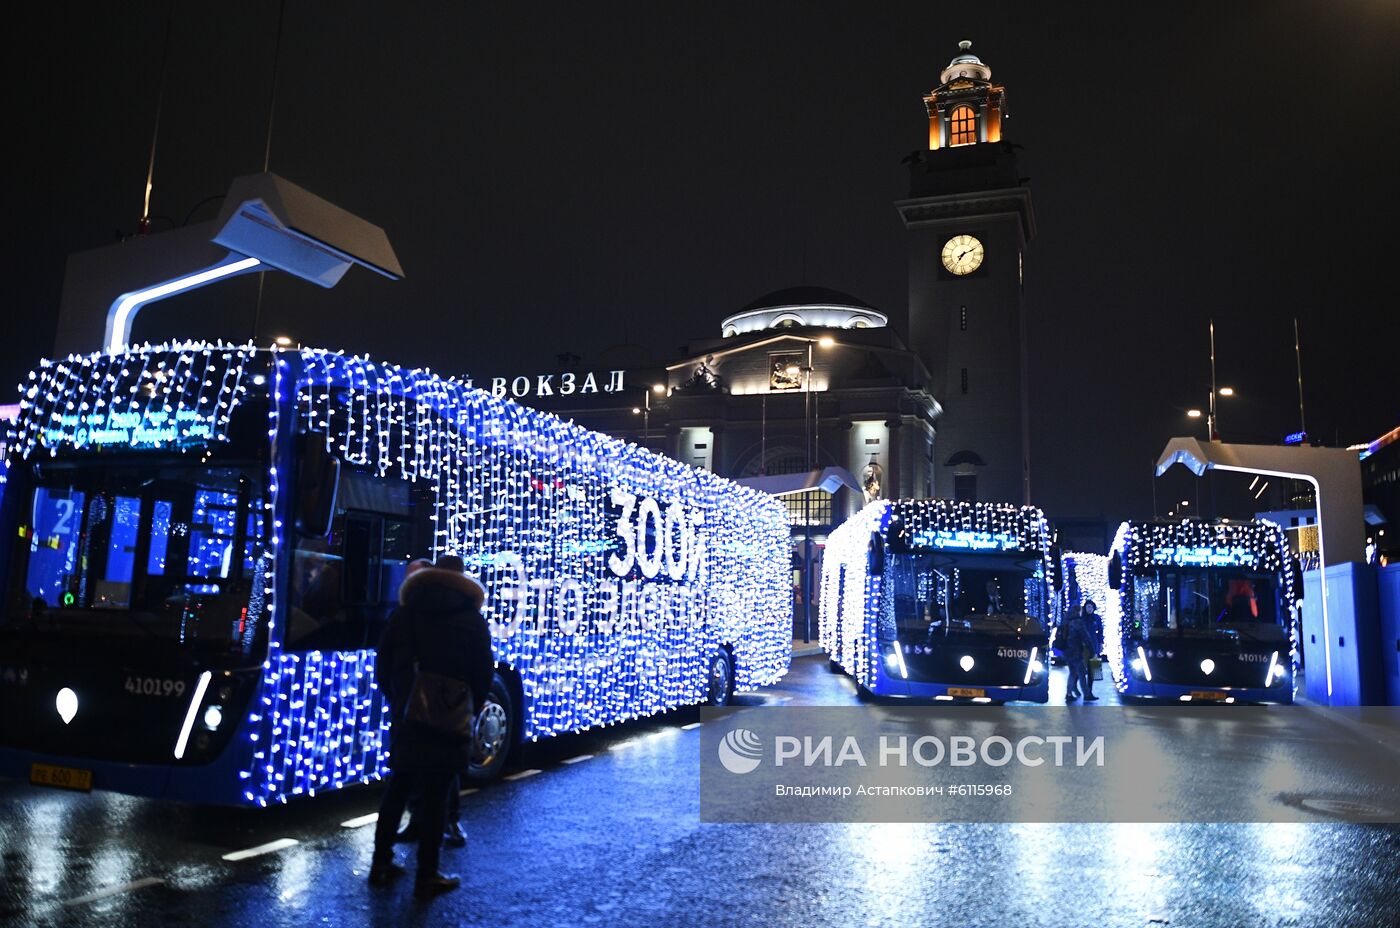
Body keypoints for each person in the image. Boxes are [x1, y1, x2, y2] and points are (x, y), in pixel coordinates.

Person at [370, 555, 495, 899]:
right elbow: (483, 673)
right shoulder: (471, 620)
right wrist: (467, 705)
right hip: (449, 717)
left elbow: (383, 664)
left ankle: (380, 863)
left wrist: (401, 699)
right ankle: (427, 875)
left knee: (398, 788)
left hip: (407, 715)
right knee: (438, 794)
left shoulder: (405, 613)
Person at [1062, 604, 1092, 702]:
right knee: (1082, 673)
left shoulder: (1066, 621)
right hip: (1076, 652)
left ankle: (1069, 693)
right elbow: (1086, 637)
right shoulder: (1078, 623)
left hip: (1066, 652)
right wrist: (1091, 649)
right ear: (1079, 611)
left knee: (1072, 673)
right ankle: (1087, 694)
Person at [1081, 600, 1103, 701]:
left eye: (1091, 607)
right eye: (1088, 607)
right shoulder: (1082, 618)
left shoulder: (1097, 618)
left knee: (1093, 670)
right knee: (1081, 670)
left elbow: (1100, 632)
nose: (1089, 609)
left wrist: (1100, 644)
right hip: (1084, 647)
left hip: (1094, 646)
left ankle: (1089, 692)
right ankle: (1085, 692)